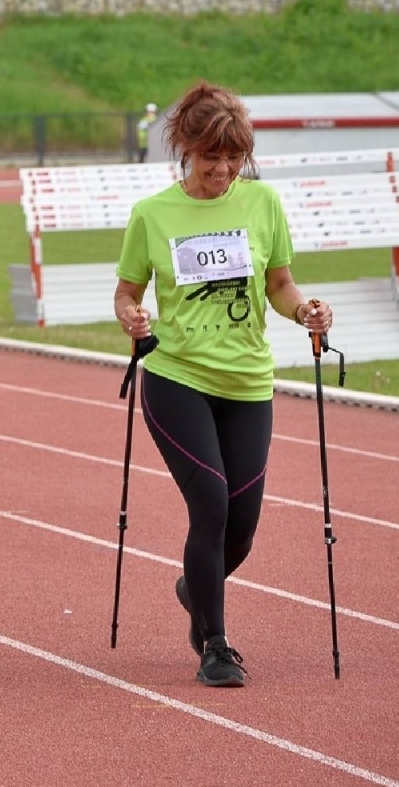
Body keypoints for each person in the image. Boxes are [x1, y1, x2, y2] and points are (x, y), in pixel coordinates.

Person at [113, 80, 333, 689]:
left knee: (242, 527)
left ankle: (194, 588)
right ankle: (214, 642)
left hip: (247, 384)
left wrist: (305, 310)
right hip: (176, 377)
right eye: (213, 157)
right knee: (209, 501)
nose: (225, 169)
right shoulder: (153, 215)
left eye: (235, 157)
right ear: (187, 149)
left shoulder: (262, 204)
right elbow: (128, 291)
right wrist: (130, 316)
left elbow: (281, 284)